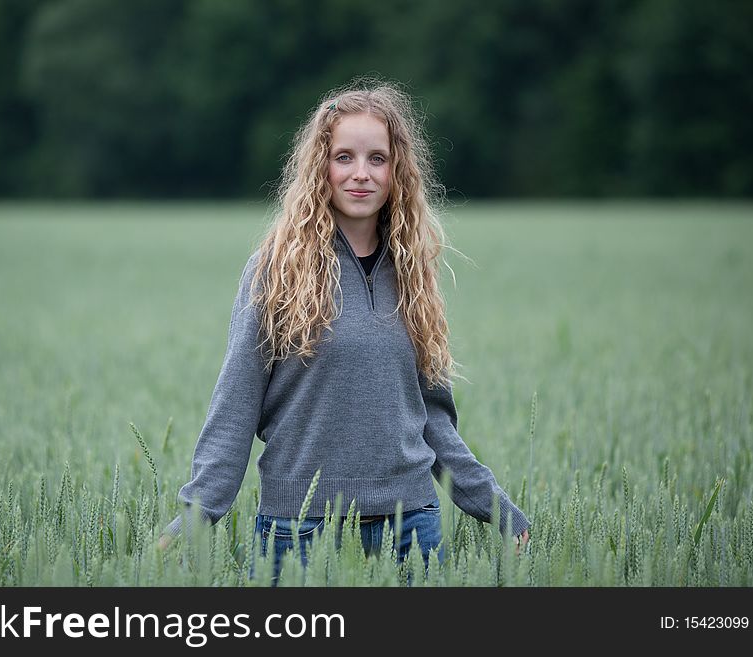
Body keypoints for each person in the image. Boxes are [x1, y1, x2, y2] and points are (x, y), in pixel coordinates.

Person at [157, 78, 530, 584]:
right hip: (299, 532)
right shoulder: (276, 270)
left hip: (411, 530)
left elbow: (434, 422)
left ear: (397, 171)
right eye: (344, 157)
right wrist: (194, 520)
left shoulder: (414, 276)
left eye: (377, 159)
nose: (361, 174)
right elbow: (235, 404)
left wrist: (498, 511)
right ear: (320, 167)